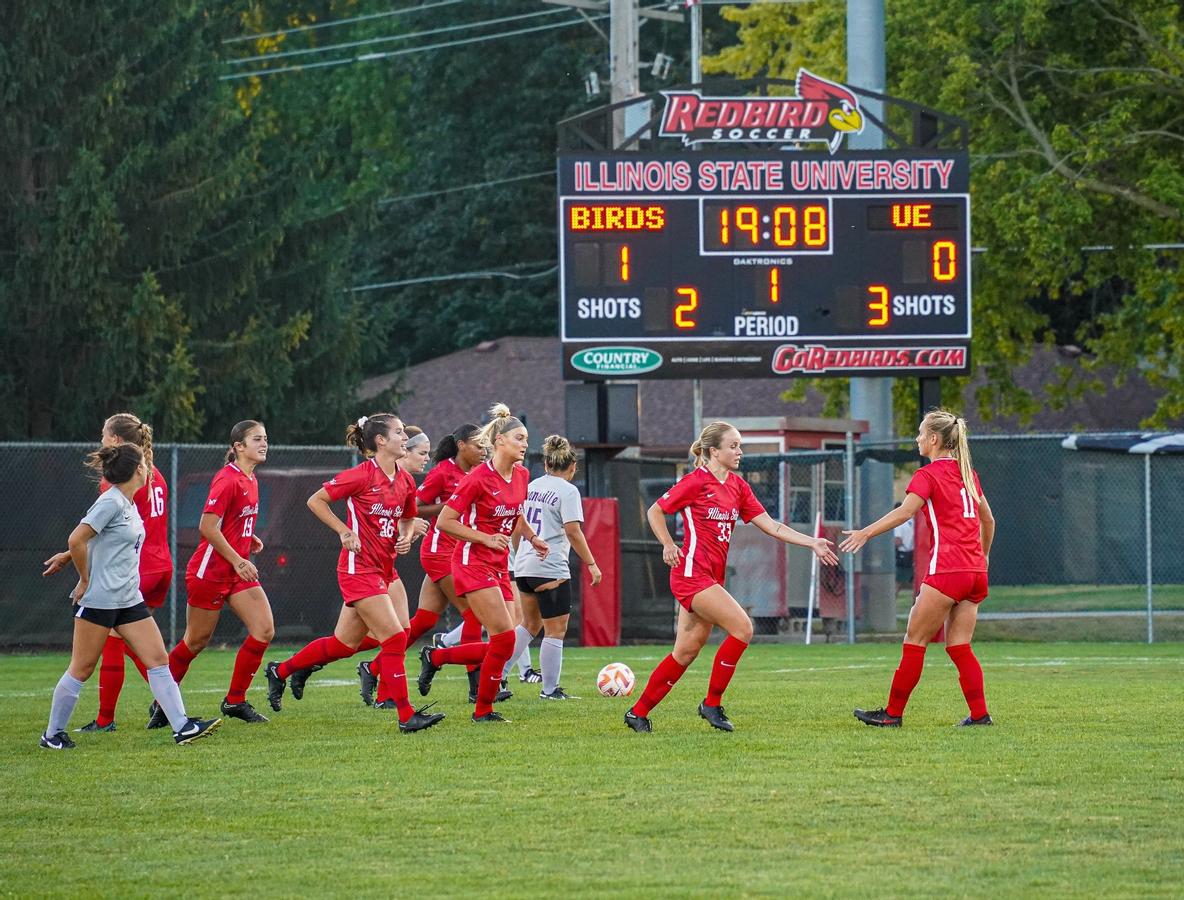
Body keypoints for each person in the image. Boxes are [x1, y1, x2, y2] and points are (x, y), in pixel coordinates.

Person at [625, 421, 838, 734]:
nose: (740, 451)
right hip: (691, 575)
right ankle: (711, 703)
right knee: (742, 628)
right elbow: (655, 510)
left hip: (710, 578)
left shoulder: (738, 486)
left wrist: (811, 542)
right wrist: (668, 544)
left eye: (740, 445)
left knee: (685, 652)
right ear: (714, 451)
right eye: (733, 446)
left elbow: (770, 525)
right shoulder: (695, 481)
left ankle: (638, 712)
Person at [264, 414, 444, 733]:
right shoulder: (362, 475)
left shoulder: (403, 480)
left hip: (384, 571)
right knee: (396, 637)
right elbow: (315, 501)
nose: (406, 437)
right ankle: (406, 715)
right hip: (358, 569)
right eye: (400, 433)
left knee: (344, 644)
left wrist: (404, 535)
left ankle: (282, 671)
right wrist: (343, 531)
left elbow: (406, 516)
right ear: (381, 441)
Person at [41, 443, 220, 749]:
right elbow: (77, 538)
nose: (148, 466)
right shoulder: (110, 501)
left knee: (158, 659)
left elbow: (101, 541)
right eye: (144, 463)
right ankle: (52, 735)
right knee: (81, 668)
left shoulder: (128, 502)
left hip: (128, 598)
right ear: (138, 469)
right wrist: (84, 578)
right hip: (100, 600)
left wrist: (68, 557)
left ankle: (182, 727)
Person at [841, 409, 996, 727]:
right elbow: (988, 520)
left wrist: (865, 532)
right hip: (975, 573)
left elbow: (904, 513)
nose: (918, 438)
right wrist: (984, 557)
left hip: (947, 570)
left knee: (915, 640)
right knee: (959, 646)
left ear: (935, 439)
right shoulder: (969, 474)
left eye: (922, 433)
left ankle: (892, 715)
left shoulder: (927, 475)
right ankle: (980, 716)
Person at [415, 403, 549, 724]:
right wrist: (484, 538)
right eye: (519, 437)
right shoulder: (477, 478)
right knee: (502, 640)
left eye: (526, 438)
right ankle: (483, 710)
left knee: (507, 639)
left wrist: (531, 537)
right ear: (500, 440)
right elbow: (447, 521)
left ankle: (437, 656)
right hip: (471, 562)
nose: (525, 444)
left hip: (499, 565)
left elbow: (514, 513)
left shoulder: (522, 474)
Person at [41, 413, 174, 732]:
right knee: (141, 644)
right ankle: (171, 708)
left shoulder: (117, 481)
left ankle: (106, 719)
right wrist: (68, 554)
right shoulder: (153, 472)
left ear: (116, 440)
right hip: (161, 566)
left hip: (131, 571)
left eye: (104, 435)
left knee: (117, 643)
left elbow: (101, 532)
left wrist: (77, 565)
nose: (101, 441)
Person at [152, 420, 274, 727]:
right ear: (238, 447)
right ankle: (162, 703)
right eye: (256, 439)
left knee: (264, 630)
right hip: (211, 571)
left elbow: (232, 524)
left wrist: (249, 539)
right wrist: (237, 559)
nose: (264, 444)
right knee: (195, 640)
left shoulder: (251, 478)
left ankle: (235, 700)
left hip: (235, 570)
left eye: (265, 439)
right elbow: (207, 527)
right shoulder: (227, 479)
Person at [512, 435, 602, 700]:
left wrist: (519, 555)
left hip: (524, 565)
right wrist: (592, 564)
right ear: (572, 467)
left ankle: (496, 677)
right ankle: (550, 690)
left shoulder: (531, 486)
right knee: (555, 630)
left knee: (528, 625)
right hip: (549, 567)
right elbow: (573, 531)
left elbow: (518, 524)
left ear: (547, 464)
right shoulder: (568, 490)